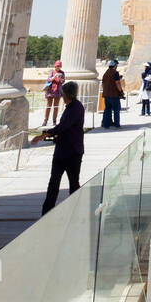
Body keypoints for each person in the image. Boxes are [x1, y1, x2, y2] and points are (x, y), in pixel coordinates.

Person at [40, 80, 84, 214]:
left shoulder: (76, 108)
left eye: (62, 94)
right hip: (63, 151)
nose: (61, 96)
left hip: (72, 152)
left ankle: (75, 211)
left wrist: (46, 134)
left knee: (73, 184)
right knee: (54, 183)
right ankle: (47, 212)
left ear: (68, 95)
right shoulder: (72, 107)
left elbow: (63, 126)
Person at [100, 59, 124, 129]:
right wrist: (121, 91)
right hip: (114, 95)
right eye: (117, 65)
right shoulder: (115, 73)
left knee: (107, 109)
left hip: (106, 95)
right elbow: (117, 83)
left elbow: (103, 84)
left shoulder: (105, 73)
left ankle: (106, 124)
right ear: (115, 65)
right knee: (116, 109)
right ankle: (117, 124)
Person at [42, 59, 65, 126]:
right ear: (55, 66)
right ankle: (45, 121)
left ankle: (54, 121)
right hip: (50, 91)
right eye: (57, 66)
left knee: (56, 107)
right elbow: (48, 80)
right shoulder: (52, 72)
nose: (58, 67)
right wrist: (54, 77)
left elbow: (63, 82)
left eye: (59, 66)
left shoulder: (62, 73)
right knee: (48, 106)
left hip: (58, 91)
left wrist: (60, 78)